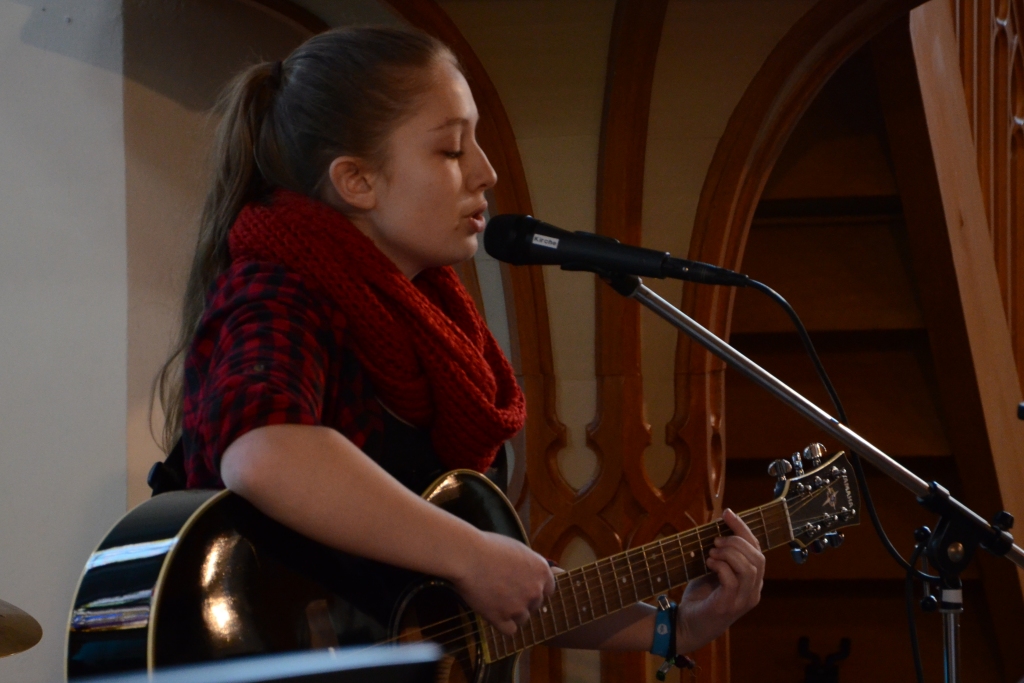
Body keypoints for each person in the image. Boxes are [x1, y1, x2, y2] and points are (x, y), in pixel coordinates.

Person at [155, 25, 764, 664]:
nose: (486, 172)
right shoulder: (277, 291)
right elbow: (263, 451)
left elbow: (461, 599)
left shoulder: (429, 326)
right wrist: (471, 555)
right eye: (451, 149)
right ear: (357, 180)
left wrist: (673, 628)